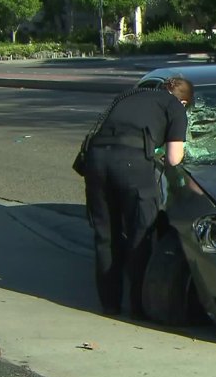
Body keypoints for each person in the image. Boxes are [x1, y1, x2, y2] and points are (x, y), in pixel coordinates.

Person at [82, 77, 193, 320]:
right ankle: (138, 308)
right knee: (141, 234)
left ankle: (109, 304)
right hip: (132, 164)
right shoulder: (175, 107)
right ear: (184, 101)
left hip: (96, 160)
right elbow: (174, 159)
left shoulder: (129, 94)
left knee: (106, 235)